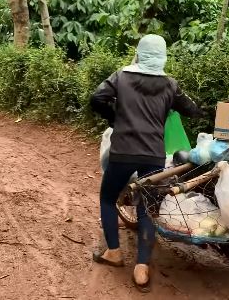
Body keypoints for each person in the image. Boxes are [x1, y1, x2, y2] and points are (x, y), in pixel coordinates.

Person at [90, 34, 204, 292]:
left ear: (139, 53)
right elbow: (191, 109)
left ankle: (114, 253)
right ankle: (141, 268)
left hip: (123, 151)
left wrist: (114, 119)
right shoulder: (170, 84)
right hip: (153, 153)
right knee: (148, 206)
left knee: (108, 198)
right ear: (163, 57)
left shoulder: (120, 77)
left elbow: (97, 98)